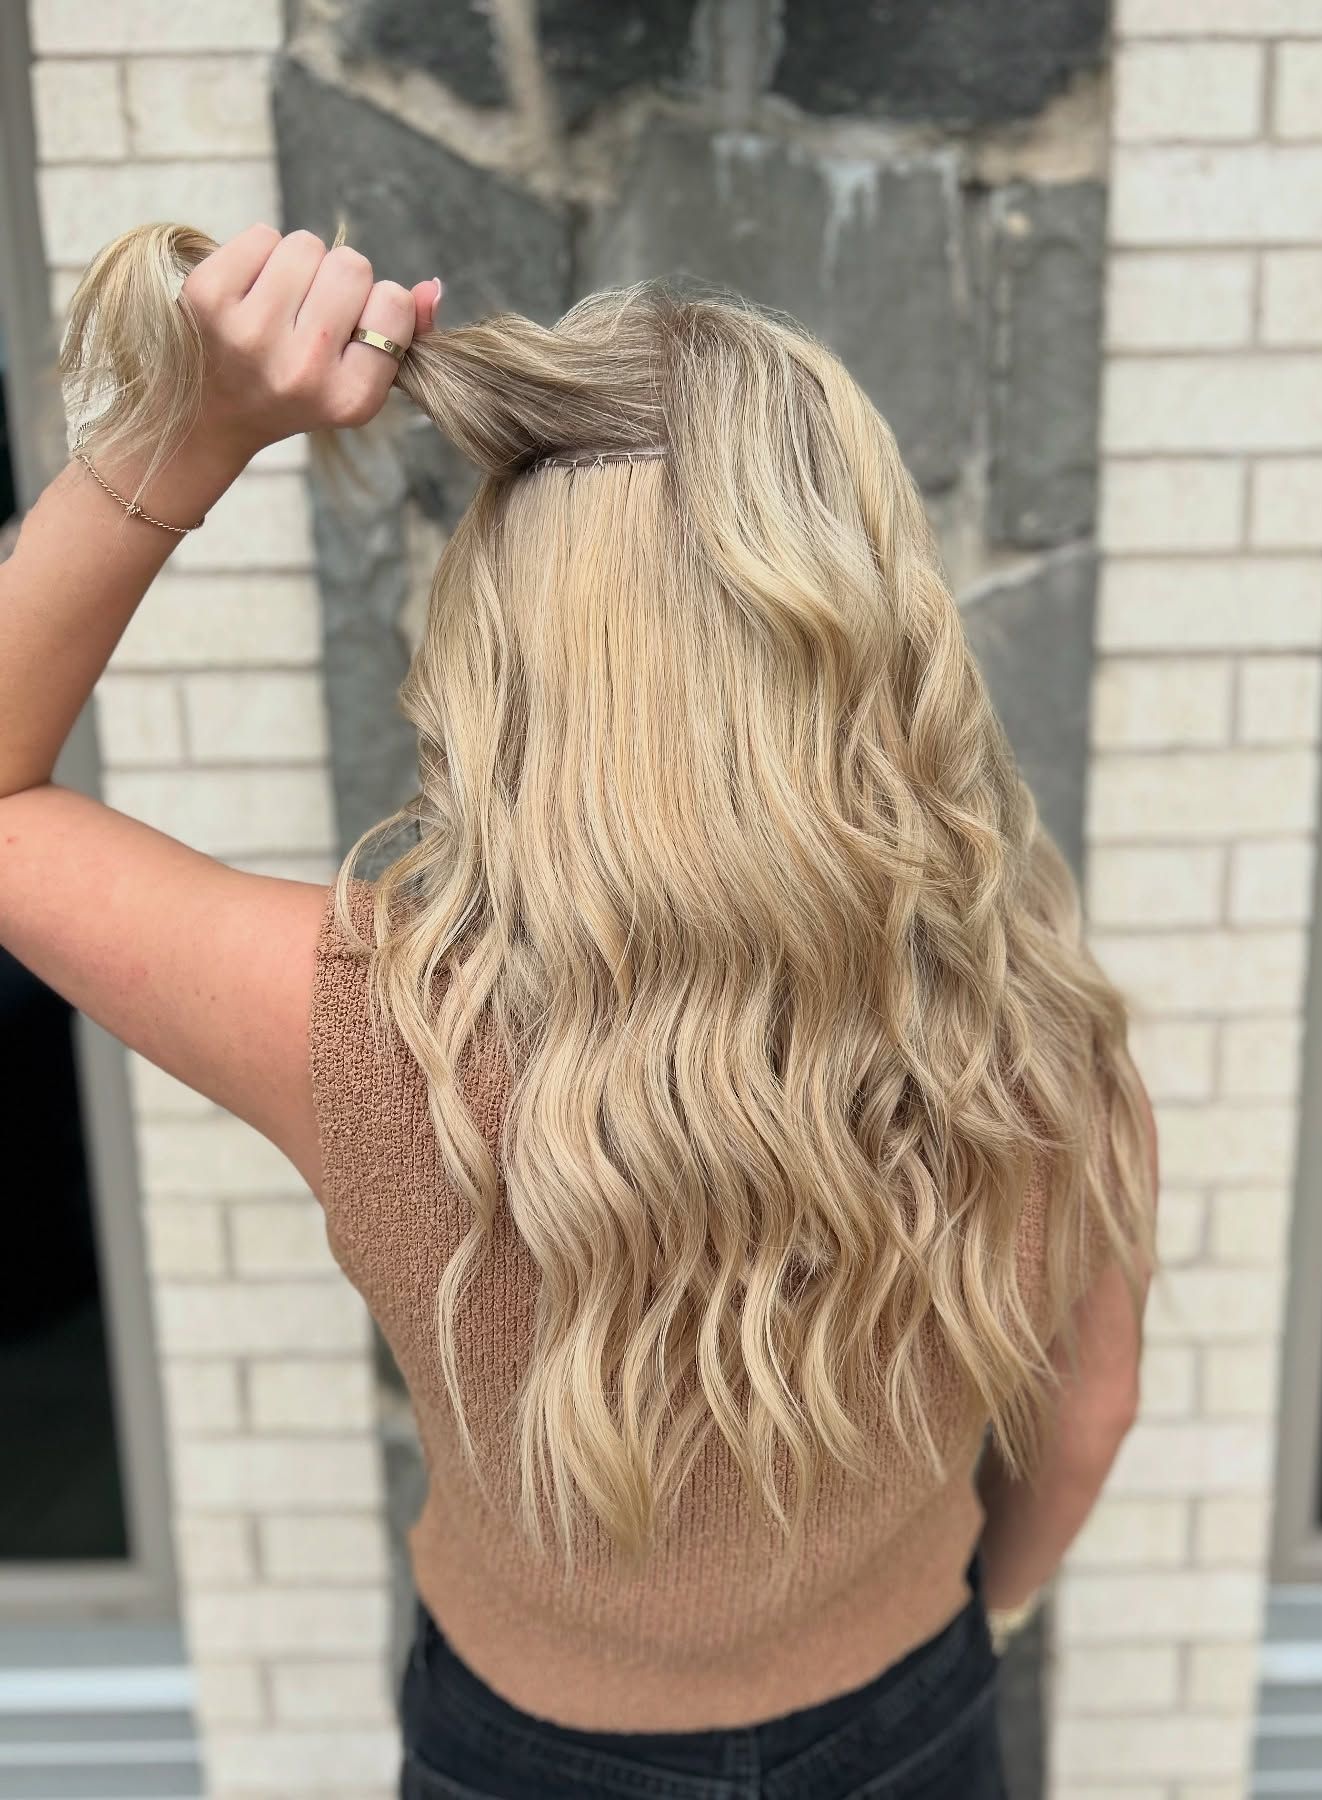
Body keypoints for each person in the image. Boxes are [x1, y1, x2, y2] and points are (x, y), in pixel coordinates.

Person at [0, 223, 1158, 1799]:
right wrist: (982, 1621)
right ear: (881, 630)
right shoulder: (1042, 1036)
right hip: (914, 1720)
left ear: (508, 658)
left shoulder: (371, 1036)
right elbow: (1088, 1420)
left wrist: (185, 438)